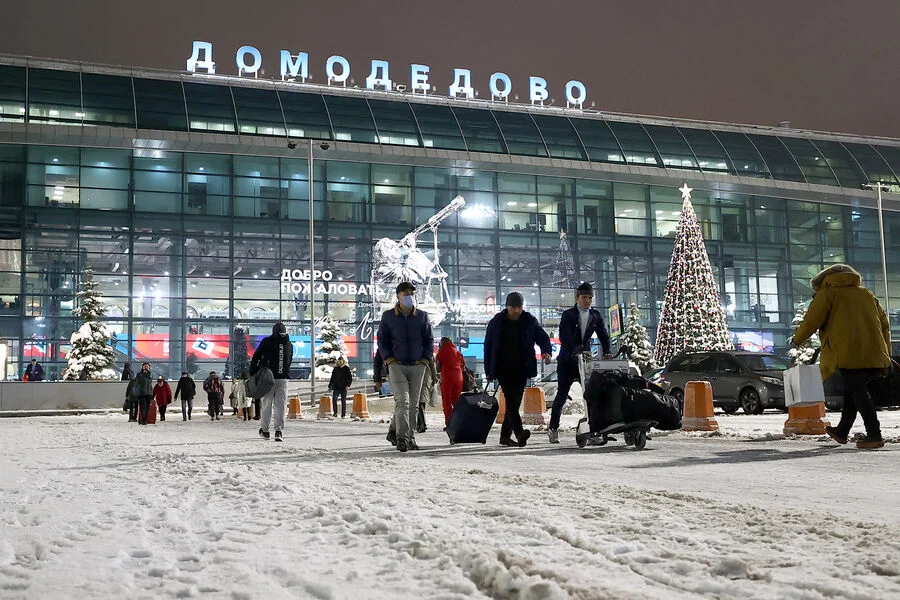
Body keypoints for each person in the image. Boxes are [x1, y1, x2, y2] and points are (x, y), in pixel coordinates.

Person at [793, 264, 891, 450]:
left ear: (824, 280)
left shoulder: (828, 293)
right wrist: (886, 352)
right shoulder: (866, 294)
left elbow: (812, 320)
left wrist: (797, 340)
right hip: (873, 352)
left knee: (858, 392)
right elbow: (884, 324)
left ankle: (874, 434)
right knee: (853, 390)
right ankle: (842, 431)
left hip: (847, 352)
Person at [547, 282, 613, 444]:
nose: (588, 301)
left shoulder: (595, 315)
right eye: (584, 297)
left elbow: (603, 334)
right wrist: (573, 349)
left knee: (591, 395)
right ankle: (553, 427)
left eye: (590, 298)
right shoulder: (568, 315)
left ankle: (593, 430)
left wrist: (607, 351)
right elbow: (564, 335)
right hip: (567, 361)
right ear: (577, 298)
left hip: (585, 360)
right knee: (562, 395)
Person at [484, 292, 552, 448]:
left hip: (522, 367)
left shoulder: (529, 321)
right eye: (513, 307)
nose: (516, 311)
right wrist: (489, 370)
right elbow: (488, 347)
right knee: (512, 402)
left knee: (514, 403)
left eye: (519, 307)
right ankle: (520, 433)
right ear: (507, 307)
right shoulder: (496, 322)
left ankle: (504, 436)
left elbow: (542, 337)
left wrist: (546, 351)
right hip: (503, 368)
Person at [377, 282, 433, 452]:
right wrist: (388, 358)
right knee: (403, 402)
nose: (409, 296)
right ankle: (402, 438)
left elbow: (429, 340)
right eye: (405, 293)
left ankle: (409, 437)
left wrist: (425, 359)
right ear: (398, 296)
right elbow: (382, 340)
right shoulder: (388, 317)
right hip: (397, 365)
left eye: (411, 293)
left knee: (414, 405)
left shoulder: (422, 317)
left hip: (418, 365)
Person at [250, 322, 293, 441]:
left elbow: (256, 357)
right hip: (283, 378)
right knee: (280, 404)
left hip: (267, 378)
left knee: (266, 404)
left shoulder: (267, 341)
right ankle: (278, 431)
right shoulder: (289, 344)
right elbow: (289, 361)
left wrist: (253, 373)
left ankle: (265, 430)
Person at [436, 337, 466, 427]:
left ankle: (449, 423)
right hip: (459, 377)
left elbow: (438, 368)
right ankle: (460, 421)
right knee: (456, 401)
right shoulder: (458, 352)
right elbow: (463, 365)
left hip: (447, 377)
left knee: (447, 401)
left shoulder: (440, 353)